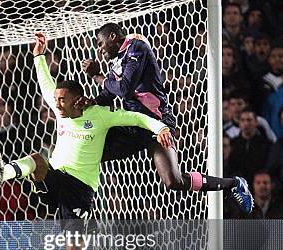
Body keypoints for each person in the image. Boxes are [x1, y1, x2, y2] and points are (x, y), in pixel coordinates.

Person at [0, 33, 173, 250]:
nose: (57, 104)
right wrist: (38, 55)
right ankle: (3, 173)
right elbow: (45, 84)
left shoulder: (100, 115)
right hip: (57, 179)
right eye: (56, 100)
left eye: (63, 100)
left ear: (77, 101)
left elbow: (136, 119)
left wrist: (160, 125)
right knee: (37, 160)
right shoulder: (60, 112)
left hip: (81, 191)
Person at [81, 23, 254, 213]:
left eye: (100, 43)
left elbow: (124, 89)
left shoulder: (136, 47)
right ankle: (82, 210)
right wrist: (91, 101)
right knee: (92, 153)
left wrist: (97, 76)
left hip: (158, 123)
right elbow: (109, 95)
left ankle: (233, 184)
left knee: (173, 181)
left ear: (112, 37)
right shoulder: (116, 61)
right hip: (135, 125)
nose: (99, 49)